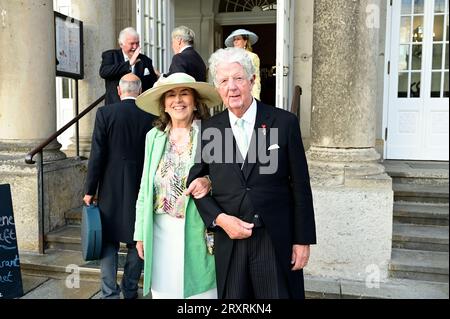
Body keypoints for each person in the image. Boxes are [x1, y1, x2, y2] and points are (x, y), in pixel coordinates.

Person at [188, 48, 316, 299]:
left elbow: (300, 185)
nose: (232, 87)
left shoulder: (283, 122)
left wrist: (303, 240)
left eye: (238, 78)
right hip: (231, 239)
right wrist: (220, 219)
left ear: (252, 80)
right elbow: (195, 183)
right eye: (224, 81)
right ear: (217, 87)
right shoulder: (211, 129)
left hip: (274, 239)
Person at [133, 73, 222, 299]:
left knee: (200, 294)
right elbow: (145, 187)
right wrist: (140, 233)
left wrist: (209, 182)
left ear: (195, 102)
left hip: (197, 232)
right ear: (164, 104)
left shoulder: (211, 134)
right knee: (164, 293)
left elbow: (227, 180)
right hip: (159, 232)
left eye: (184, 93)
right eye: (171, 95)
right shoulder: (153, 137)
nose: (178, 100)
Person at [83, 73, 157, 299]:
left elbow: (97, 154)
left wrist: (89, 190)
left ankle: (109, 293)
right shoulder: (151, 115)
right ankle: (130, 288)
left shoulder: (105, 113)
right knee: (137, 240)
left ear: (119, 90)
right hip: (140, 185)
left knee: (108, 240)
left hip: (110, 187)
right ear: (140, 90)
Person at [100, 27, 159, 105]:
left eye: (137, 43)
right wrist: (129, 64)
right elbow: (104, 72)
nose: (135, 47)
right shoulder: (111, 55)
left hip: (140, 107)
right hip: (116, 106)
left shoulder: (145, 60)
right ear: (121, 44)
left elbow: (152, 83)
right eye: (132, 43)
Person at [225, 29, 261, 100]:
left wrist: (256, 96)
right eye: (234, 40)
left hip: (247, 91)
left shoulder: (252, 56)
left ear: (245, 42)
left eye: (238, 39)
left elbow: (256, 79)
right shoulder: (230, 57)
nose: (235, 41)